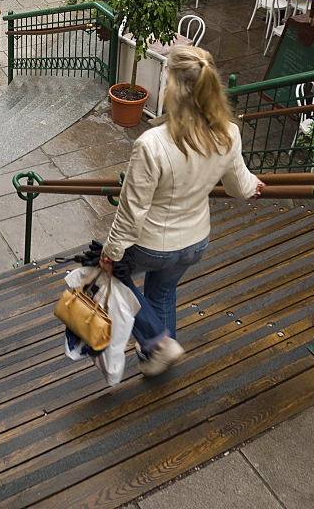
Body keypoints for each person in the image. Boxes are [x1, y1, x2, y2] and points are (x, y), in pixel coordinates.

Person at [98, 46, 264, 377]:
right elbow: (239, 187)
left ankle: (158, 344)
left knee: (111, 274)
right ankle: (158, 357)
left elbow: (132, 213)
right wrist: (254, 185)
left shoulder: (152, 143)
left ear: (172, 86)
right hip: (194, 242)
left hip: (152, 245)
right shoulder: (227, 132)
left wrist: (110, 254)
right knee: (162, 291)